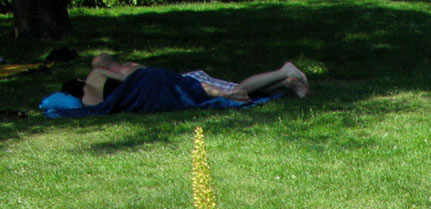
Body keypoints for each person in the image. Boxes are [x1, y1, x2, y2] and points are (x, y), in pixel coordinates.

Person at [62, 54, 308, 109]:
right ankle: (284, 80)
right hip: (187, 80)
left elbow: (133, 80)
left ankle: (283, 73)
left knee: (235, 91)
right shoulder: (108, 73)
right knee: (239, 91)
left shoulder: (97, 88)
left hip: (186, 82)